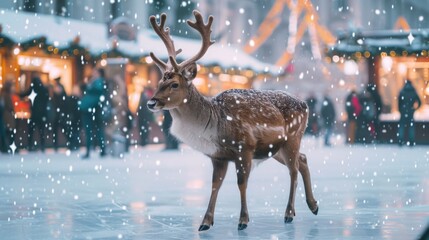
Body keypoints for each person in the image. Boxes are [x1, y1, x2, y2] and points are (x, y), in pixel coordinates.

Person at [79, 68, 107, 159]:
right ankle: (100, 150)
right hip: (92, 109)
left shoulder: (98, 82)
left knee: (91, 130)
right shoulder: (95, 82)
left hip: (92, 109)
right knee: (96, 130)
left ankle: (93, 150)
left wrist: (88, 85)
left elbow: (97, 91)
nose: (93, 74)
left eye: (95, 72)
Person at [20, 76, 49, 152]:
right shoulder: (44, 89)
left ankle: (30, 145)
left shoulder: (33, 89)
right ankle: (42, 146)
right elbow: (47, 100)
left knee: (31, 130)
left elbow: (24, 94)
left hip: (35, 113)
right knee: (41, 131)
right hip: (42, 113)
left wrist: (17, 94)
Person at [398, 80, 421, 146]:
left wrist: (400, 109)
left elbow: (399, 102)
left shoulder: (402, 91)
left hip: (403, 111)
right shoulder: (413, 92)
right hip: (410, 111)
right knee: (411, 126)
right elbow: (419, 102)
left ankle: (400, 140)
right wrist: (414, 109)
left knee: (401, 126)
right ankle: (411, 140)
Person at [51, 76, 67, 151]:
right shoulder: (55, 89)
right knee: (59, 128)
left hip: (59, 112)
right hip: (58, 112)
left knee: (62, 128)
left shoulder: (58, 88)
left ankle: (56, 144)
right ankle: (56, 144)